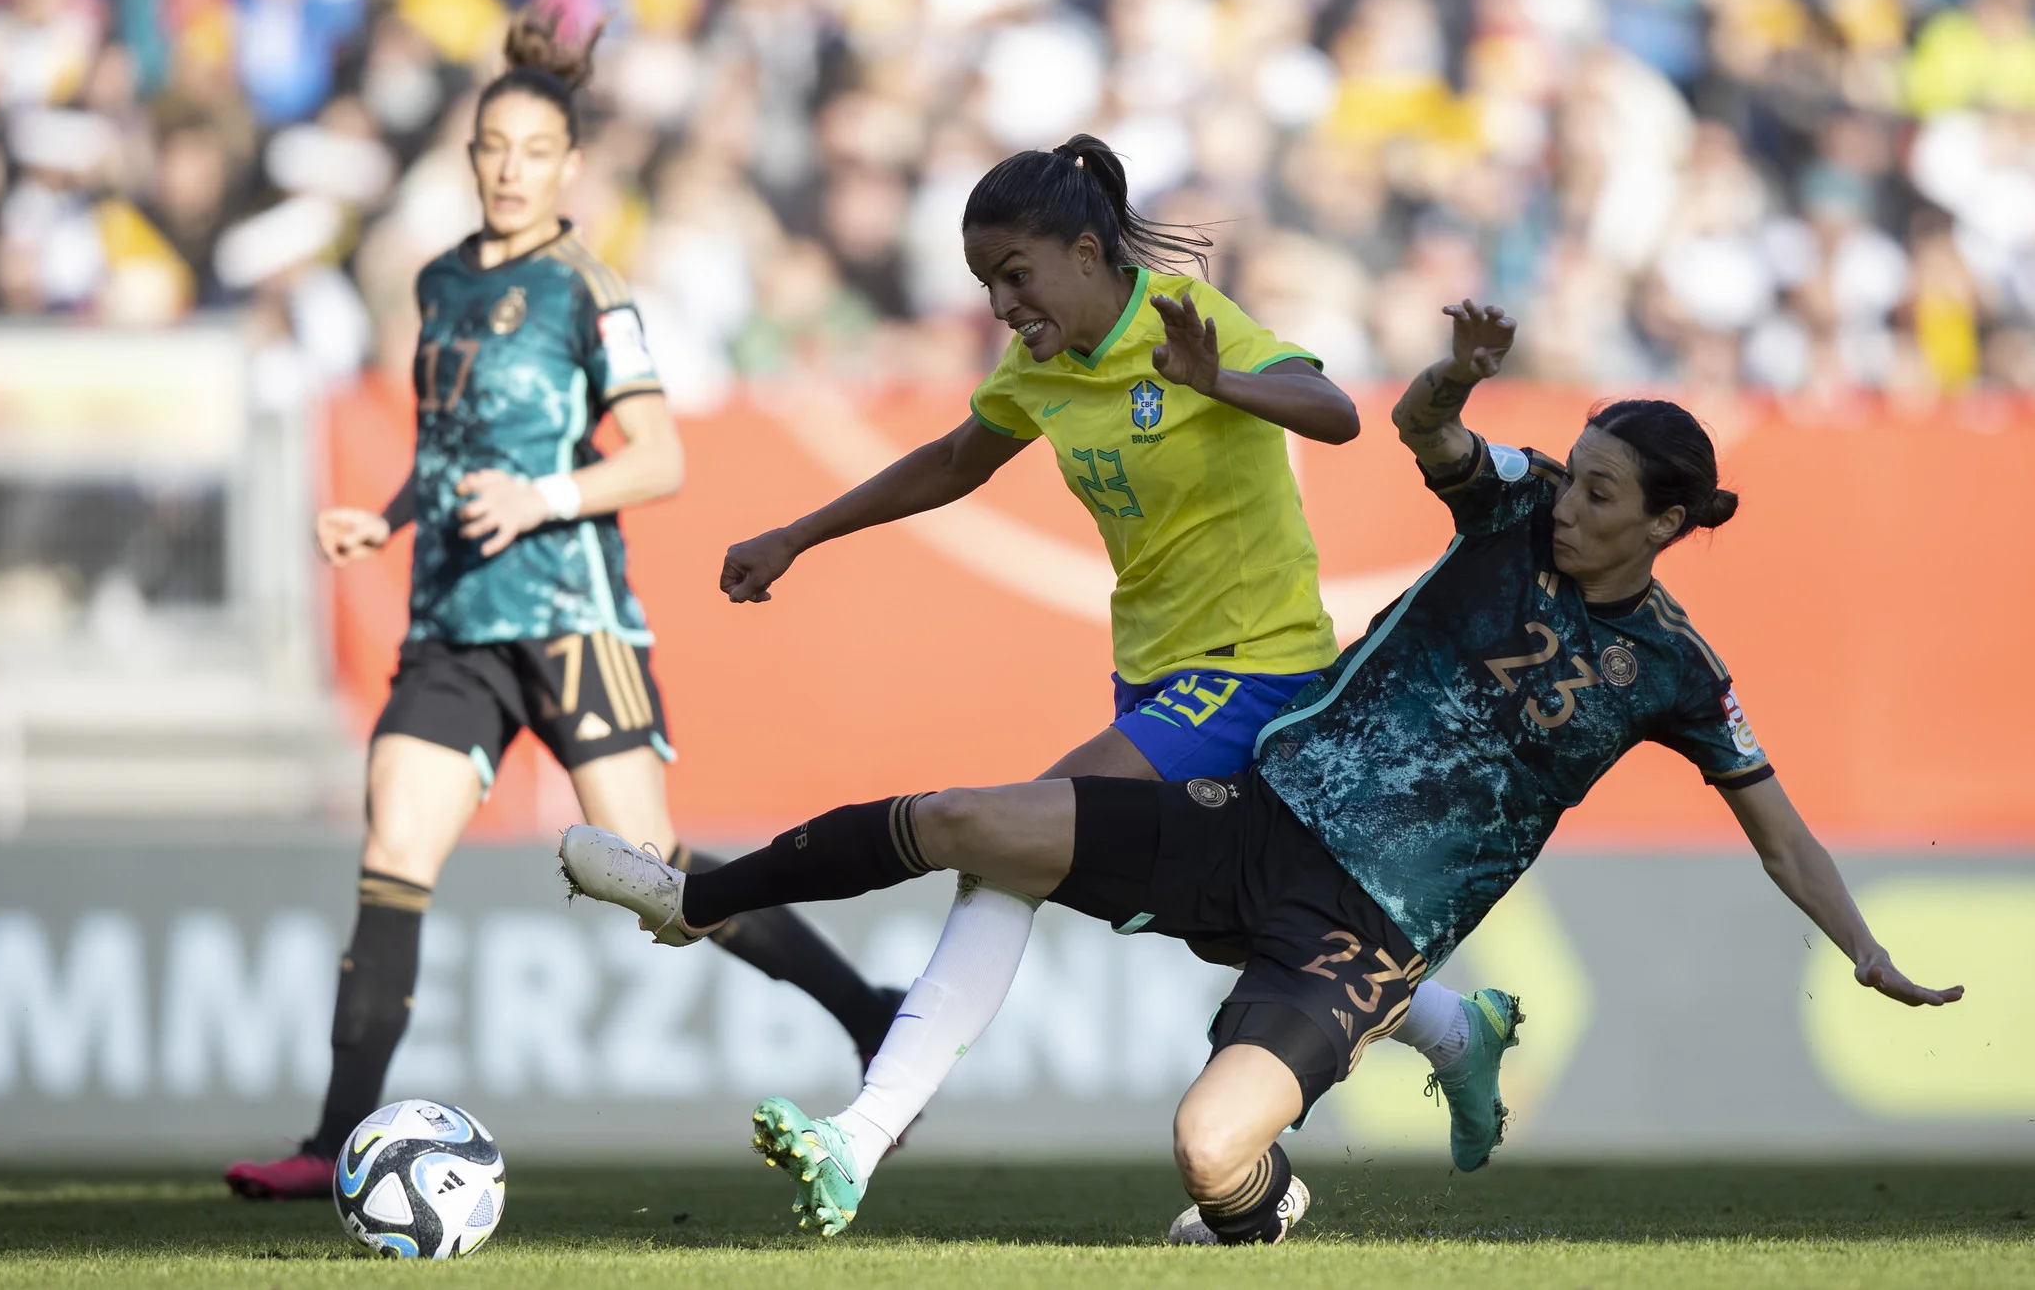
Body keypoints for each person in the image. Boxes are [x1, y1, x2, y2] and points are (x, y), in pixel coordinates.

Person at [559, 298, 1963, 1242]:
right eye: (1574, 468)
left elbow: (1777, 833)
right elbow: (1416, 430)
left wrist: (1860, 948)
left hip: (1368, 930)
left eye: (1601, 489)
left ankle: (1276, 1201)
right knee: (968, 819)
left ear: (1663, 523)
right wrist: (1461, 376)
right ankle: (698, 900)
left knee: (1205, 1149)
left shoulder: (1675, 671)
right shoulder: (1517, 510)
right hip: (1259, 811)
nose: (1570, 495)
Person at [713, 133, 1518, 1204]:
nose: (1001, 304)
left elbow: (1335, 417)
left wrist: (1217, 380)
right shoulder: (1039, 367)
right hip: (1152, 680)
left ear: (1087, 253)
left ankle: (859, 1138)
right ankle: (1459, 1030)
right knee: (1239, 926)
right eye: (985, 284)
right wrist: (798, 536)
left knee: (1006, 844)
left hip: (1258, 672)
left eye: (1014, 276)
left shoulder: (1185, 320)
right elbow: (956, 460)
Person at [222, 12, 899, 1201]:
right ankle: (335, 1141)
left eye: (533, 149)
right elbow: (446, 449)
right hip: (449, 623)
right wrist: (386, 519)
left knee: (658, 882)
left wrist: (538, 497)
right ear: (471, 153)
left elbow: (656, 456)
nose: (508, 167)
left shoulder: (589, 289)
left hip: (572, 615)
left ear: (568, 166)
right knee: (393, 852)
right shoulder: (437, 283)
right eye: (492, 146)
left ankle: (870, 1011)